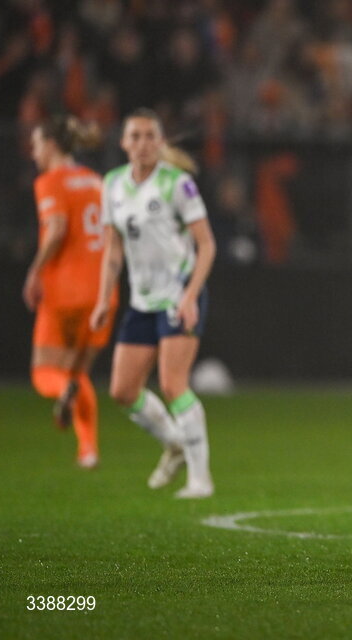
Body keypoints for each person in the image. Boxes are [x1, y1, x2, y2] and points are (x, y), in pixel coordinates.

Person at [90, 108, 216, 498]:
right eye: (135, 136)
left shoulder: (177, 184)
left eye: (150, 136)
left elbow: (206, 244)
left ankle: (200, 479)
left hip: (179, 295)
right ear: (123, 142)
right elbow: (113, 249)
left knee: (172, 384)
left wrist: (191, 295)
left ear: (160, 142)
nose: (143, 143)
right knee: (123, 391)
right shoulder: (112, 184)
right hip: (142, 300)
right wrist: (103, 299)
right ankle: (175, 444)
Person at [24, 115, 117, 469]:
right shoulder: (96, 181)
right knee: (78, 373)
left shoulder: (50, 181)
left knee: (44, 373)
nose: (33, 152)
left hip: (65, 290)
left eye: (36, 144)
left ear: (51, 145)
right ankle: (88, 451)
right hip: (102, 293)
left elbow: (57, 228)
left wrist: (35, 270)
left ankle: (64, 393)